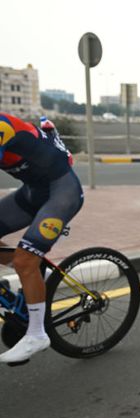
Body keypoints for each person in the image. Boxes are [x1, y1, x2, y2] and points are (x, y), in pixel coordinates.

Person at [0, 112, 83, 364]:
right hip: (32, 193)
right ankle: (36, 278)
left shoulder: (2, 126)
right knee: (26, 262)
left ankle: (36, 334)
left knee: (25, 261)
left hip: (63, 193)